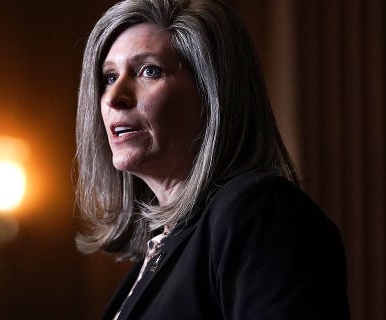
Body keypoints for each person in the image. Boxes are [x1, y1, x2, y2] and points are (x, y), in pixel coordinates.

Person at [74, 0, 350, 319]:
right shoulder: (158, 250)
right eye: (109, 77)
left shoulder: (261, 212)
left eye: (149, 71)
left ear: (212, 93)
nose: (114, 97)